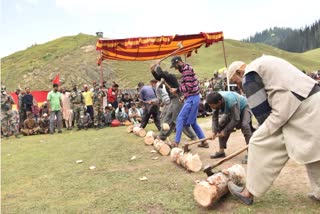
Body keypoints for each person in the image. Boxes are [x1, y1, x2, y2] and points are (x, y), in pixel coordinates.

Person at [225, 55, 320, 204]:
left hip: (299, 107)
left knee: (257, 142)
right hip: (313, 101)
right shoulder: (262, 63)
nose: (238, 86)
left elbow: (262, 115)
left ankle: (248, 192)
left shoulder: (249, 76)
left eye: (235, 82)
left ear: (239, 72)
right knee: (314, 151)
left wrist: (262, 134)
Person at [150, 61, 197, 142]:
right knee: (168, 118)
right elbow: (158, 77)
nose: (161, 79)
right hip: (173, 100)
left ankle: (192, 136)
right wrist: (153, 71)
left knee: (177, 119)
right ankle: (162, 136)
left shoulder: (170, 77)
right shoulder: (165, 79)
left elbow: (161, 74)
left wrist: (157, 65)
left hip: (177, 99)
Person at [168, 56, 207, 147]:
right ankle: (204, 141)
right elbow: (191, 87)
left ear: (179, 62)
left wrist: (176, 89)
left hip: (192, 99)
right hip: (192, 97)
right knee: (193, 122)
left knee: (180, 119)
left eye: (175, 66)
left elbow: (189, 86)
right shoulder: (187, 69)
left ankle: (176, 142)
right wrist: (184, 96)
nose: (175, 68)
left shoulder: (186, 70)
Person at [206, 91, 254, 163]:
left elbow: (236, 119)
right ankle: (221, 152)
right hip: (232, 110)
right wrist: (214, 131)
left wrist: (225, 131)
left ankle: (251, 154)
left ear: (219, 102)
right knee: (221, 124)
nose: (211, 107)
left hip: (244, 107)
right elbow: (214, 118)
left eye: (212, 105)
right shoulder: (214, 99)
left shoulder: (231, 101)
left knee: (245, 126)